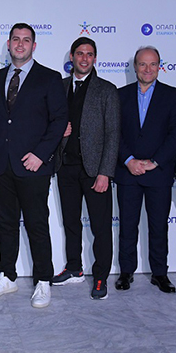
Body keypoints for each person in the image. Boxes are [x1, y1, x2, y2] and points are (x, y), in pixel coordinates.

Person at [0, 23, 68, 308]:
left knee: (37, 224)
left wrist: (41, 154)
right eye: (15, 39)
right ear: (8, 44)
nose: (20, 44)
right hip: (1, 164)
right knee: (6, 224)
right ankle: (7, 275)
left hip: (33, 166)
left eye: (26, 40)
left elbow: (59, 120)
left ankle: (43, 280)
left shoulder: (49, 78)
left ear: (34, 46)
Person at [52, 37, 120, 299]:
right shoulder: (59, 87)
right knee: (71, 222)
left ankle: (101, 276)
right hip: (65, 167)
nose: (84, 58)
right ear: (72, 57)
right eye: (79, 53)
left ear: (95, 58)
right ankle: (74, 268)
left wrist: (105, 172)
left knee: (100, 226)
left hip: (95, 171)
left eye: (89, 54)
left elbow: (113, 134)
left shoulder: (106, 90)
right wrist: (59, 133)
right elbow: (48, 123)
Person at [115, 46, 176, 294]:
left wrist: (155, 161)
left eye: (153, 64)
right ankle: (126, 272)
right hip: (128, 172)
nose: (147, 69)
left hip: (159, 173)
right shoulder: (120, 95)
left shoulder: (173, 96)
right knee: (127, 226)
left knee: (158, 227)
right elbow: (114, 132)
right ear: (135, 67)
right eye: (143, 64)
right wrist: (129, 160)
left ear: (159, 66)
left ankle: (160, 273)